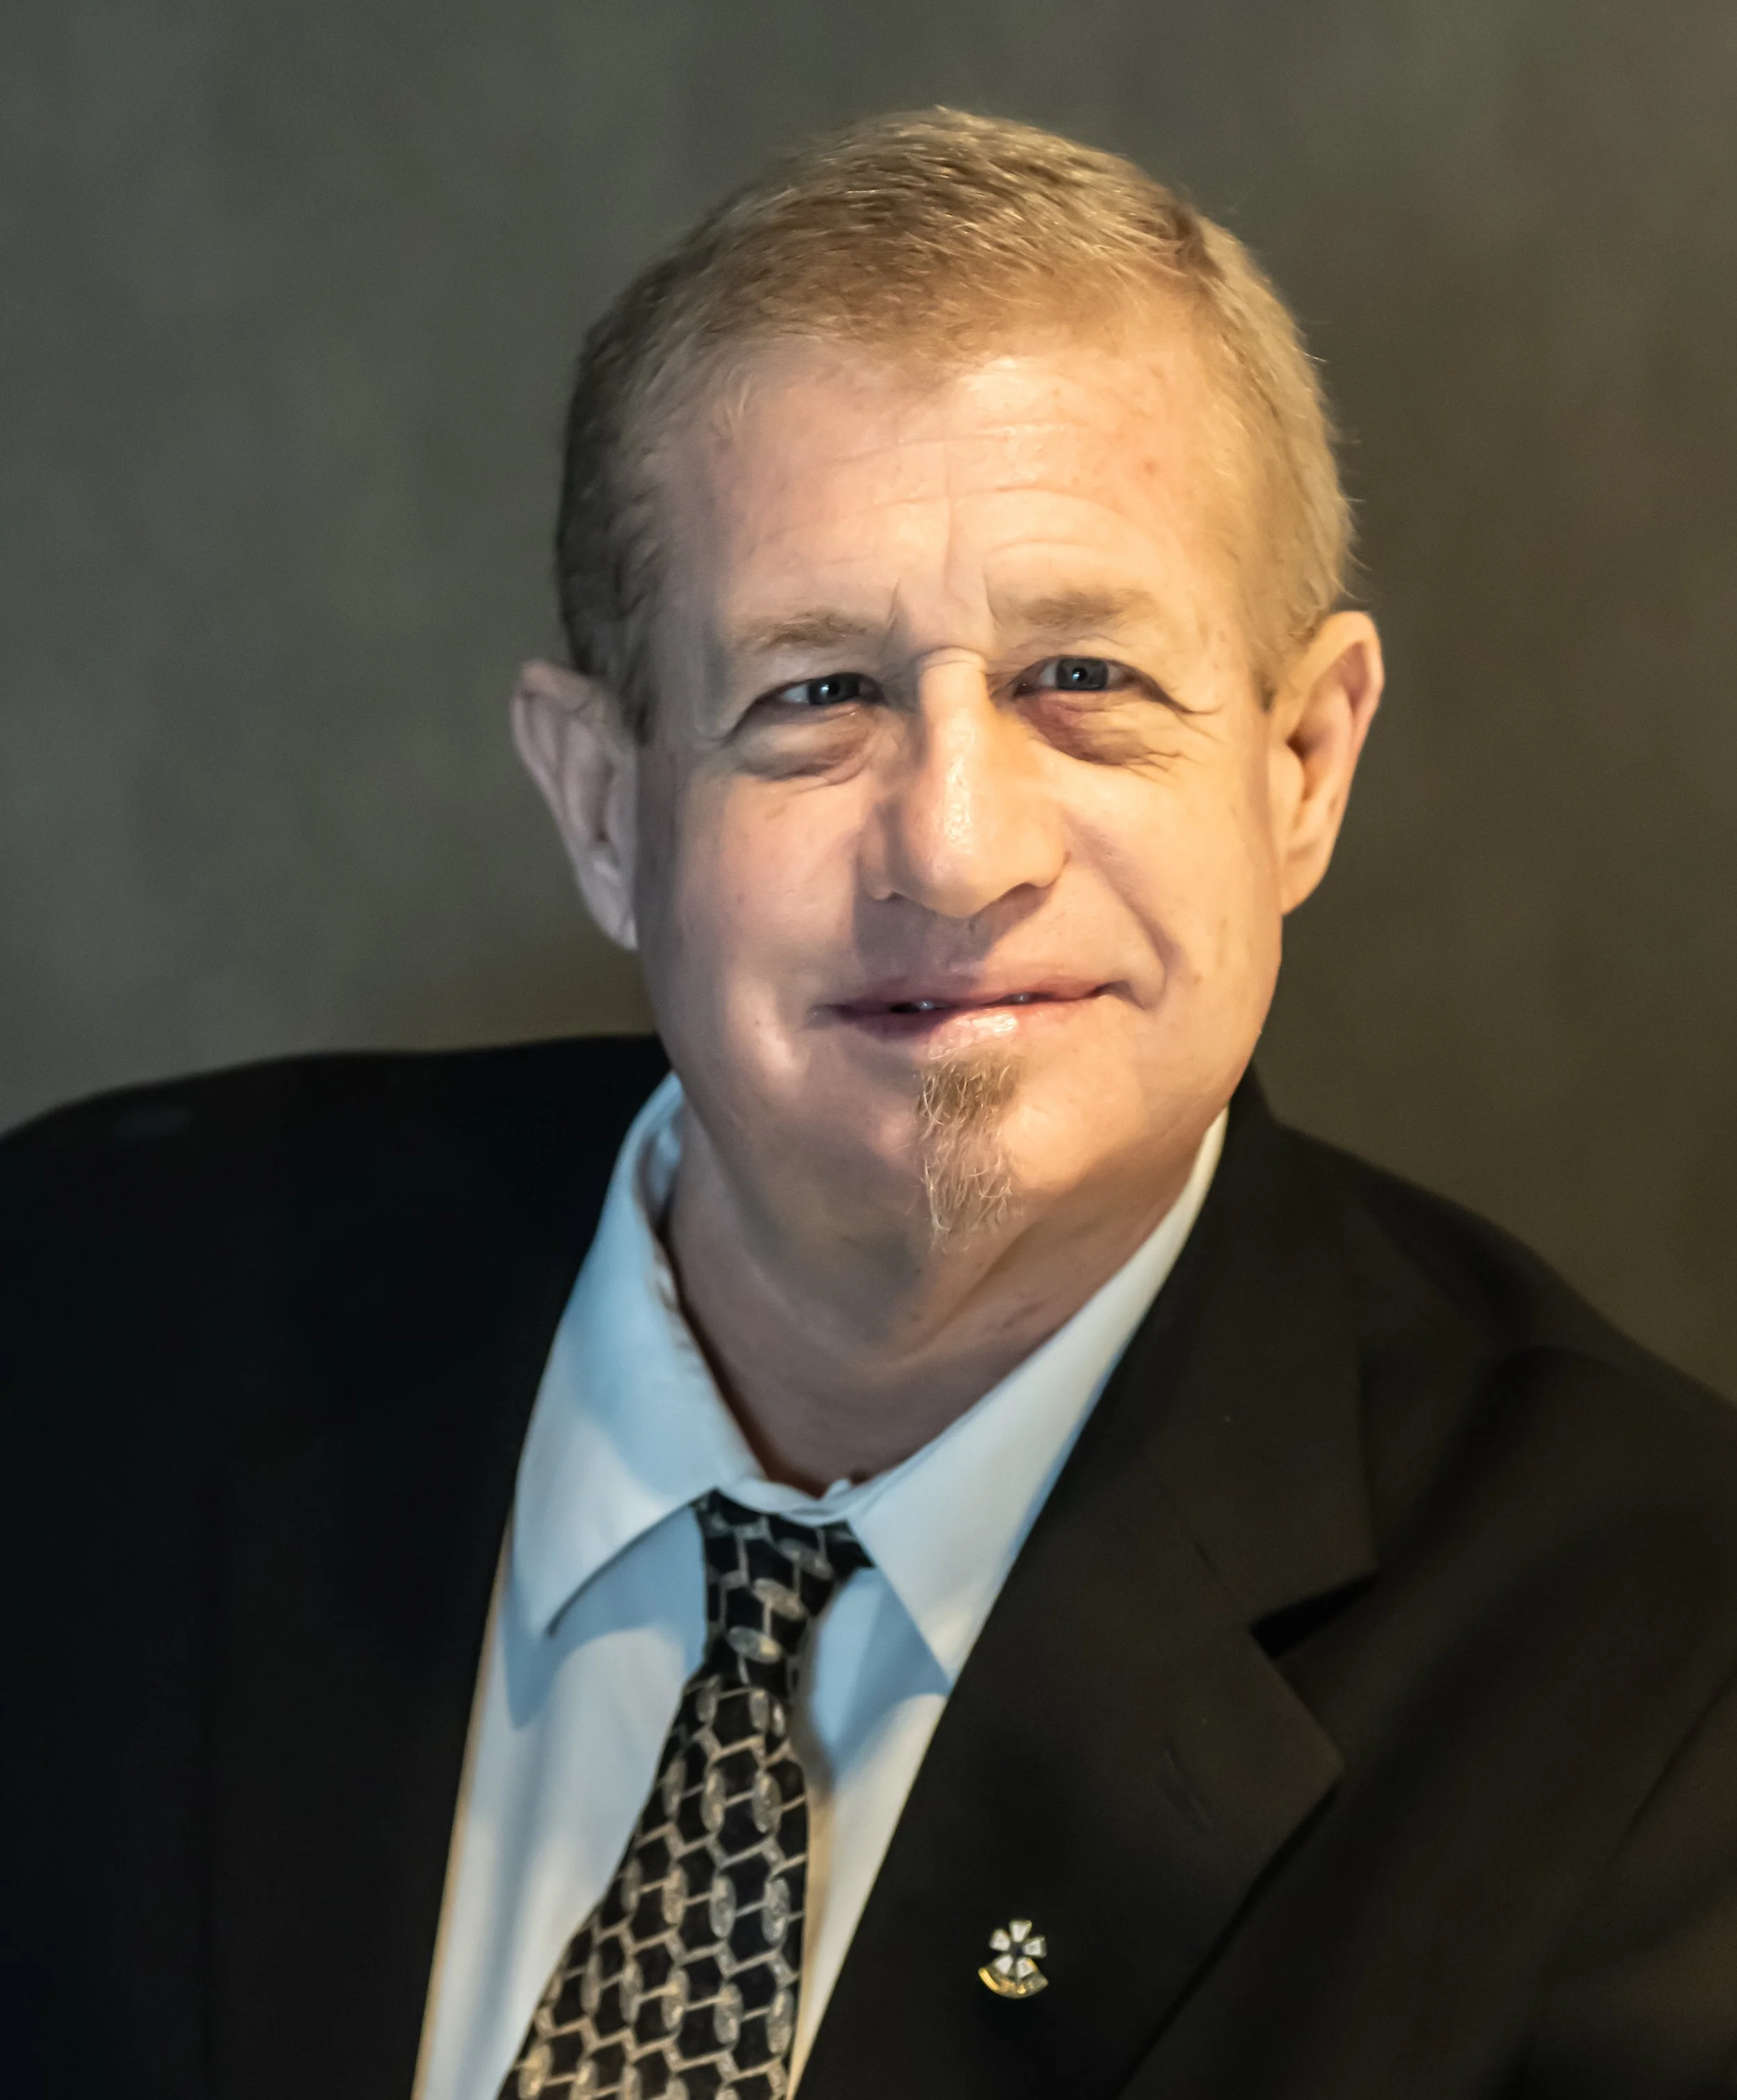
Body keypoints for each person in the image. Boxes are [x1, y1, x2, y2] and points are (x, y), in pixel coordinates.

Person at [6, 110, 1737, 2100]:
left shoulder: (1656, 1668)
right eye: (814, 693)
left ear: (1299, 765)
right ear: (602, 804)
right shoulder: (73, 1328)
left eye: (1081, 673)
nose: (959, 844)